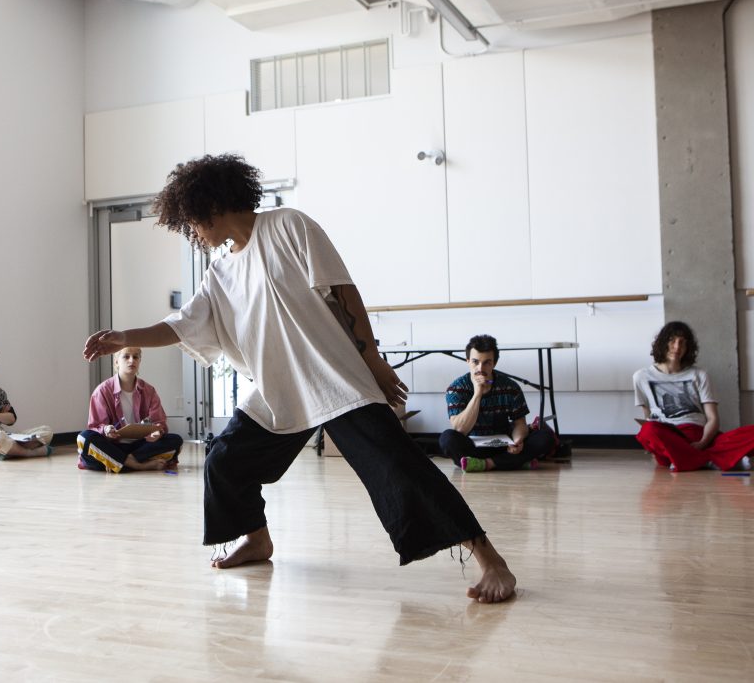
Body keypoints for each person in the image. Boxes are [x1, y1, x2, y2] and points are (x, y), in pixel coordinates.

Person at [83, 153, 515, 603]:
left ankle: (490, 559)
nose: (193, 232)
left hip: (335, 381)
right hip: (277, 393)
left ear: (210, 204)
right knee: (225, 461)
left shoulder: (289, 226)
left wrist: (373, 361)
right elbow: (180, 324)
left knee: (399, 468)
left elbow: (343, 292)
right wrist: (122, 336)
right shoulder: (219, 272)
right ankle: (257, 539)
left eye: (192, 222)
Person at [634, 321, 753, 472]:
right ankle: (711, 459)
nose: (677, 347)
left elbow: (713, 419)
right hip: (669, 436)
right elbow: (648, 418)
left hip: (699, 434)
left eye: (682, 343)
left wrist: (702, 442)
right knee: (647, 431)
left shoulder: (699, 375)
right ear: (662, 342)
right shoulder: (641, 376)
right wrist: (655, 445)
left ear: (688, 348)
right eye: (672, 340)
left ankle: (689, 459)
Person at [439, 335, 554, 473]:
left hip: (504, 446)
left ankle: (486, 464)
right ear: (468, 361)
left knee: (545, 437)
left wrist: (517, 440)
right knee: (447, 439)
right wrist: (477, 394)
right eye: (475, 362)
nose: (480, 368)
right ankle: (514, 462)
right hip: (472, 446)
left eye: (487, 362)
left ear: (494, 363)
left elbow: (520, 423)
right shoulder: (456, 389)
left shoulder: (510, 387)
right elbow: (460, 429)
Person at [77, 347, 183, 473]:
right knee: (84, 438)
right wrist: (106, 429)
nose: (131, 360)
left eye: (136, 357)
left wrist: (157, 432)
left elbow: (160, 423)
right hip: (112, 446)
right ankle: (138, 465)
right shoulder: (102, 391)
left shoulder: (149, 390)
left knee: (176, 440)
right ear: (116, 362)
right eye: (126, 356)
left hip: (140, 447)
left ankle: (118, 462)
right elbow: (94, 426)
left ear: (140, 361)